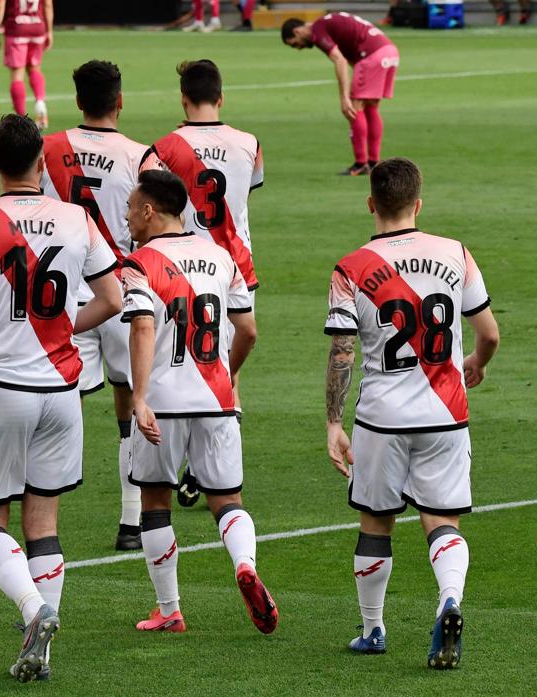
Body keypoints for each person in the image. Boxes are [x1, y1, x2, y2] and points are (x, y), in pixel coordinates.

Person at [0, 114, 123, 681]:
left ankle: (33, 609)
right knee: (43, 522)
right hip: (62, 390)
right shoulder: (78, 220)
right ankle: (43, 648)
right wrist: (66, 327)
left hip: (0, 388)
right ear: (42, 161)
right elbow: (112, 300)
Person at [323, 158, 499, 669]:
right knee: (442, 521)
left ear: (371, 203)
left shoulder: (351, 268)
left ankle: (374, 630)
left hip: (381, 418)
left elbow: (342, 350)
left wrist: (334, 422)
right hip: (445, 413)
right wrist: (475, 364)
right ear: (418, 203)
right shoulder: (455, 254)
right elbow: (488, 333)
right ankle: (449, 600)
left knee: (375, 522)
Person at [121, 169, 277, 637]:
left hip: (162, 403)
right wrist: (225, 373)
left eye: (131, 207)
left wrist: (140, 397)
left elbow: (143, 327)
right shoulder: (221, 256)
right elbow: (248, 330)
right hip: (218, 396)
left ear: (149, 210)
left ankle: (169, 609)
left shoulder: (139, 262)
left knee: (154, 502)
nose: (127, 216)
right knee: (227, 500)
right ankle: (244, 564)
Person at [141, 59, 264, 508]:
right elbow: (244, 194)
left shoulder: (163, 149)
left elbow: (154, 201)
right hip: (235, 268)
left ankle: (175, 467)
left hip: (179, 268)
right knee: (224, 367)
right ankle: (210, 465)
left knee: (170, 364)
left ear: (182, 98)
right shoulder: (249, 143)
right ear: (221, 96)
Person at [39, 60, 148, 551]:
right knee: (129, 399)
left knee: (62, 400)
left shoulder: (48, 148)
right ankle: (130, 521)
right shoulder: (141, 156)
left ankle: (44, 524)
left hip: (65, 293)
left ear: (78, 100)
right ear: (120, 100)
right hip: (123, 288)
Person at [282, 13, 400, 176]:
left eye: (295, 44)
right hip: (389, 51)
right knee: (371, 108)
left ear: (297, 32)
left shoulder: (317, 31)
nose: (299, 48)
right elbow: (350, 54)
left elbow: (340, 61)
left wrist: (345, 97)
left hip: (372, 54)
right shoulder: (325, 24)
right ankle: (373, 162)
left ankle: (361, 164)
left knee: (353, 109)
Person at [0, 0, 54, 129]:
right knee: (35, 68)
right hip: (38, 27)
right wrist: (49, 31)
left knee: (17, 75)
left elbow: (0, 5)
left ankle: (22, 121)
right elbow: (47, 5)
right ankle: (40, 103)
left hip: (17, 28)